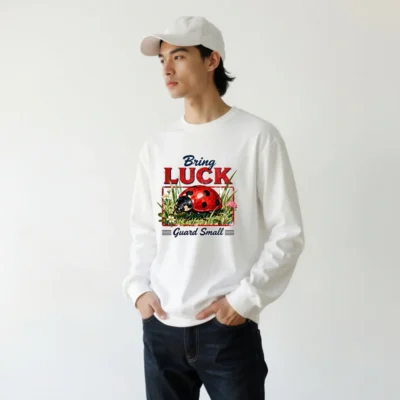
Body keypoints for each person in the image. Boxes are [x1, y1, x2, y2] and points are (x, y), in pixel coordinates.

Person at [122, 15, 305, 400]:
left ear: (211, 60)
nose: (166, 69)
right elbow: (144, 228)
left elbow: (288, 233)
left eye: (179, 56)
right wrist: (139, 290)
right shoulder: (158, 145)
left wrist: (244, 301)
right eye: (162, 60)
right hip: (162, 327)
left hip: (227, 331)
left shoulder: (257, 137)